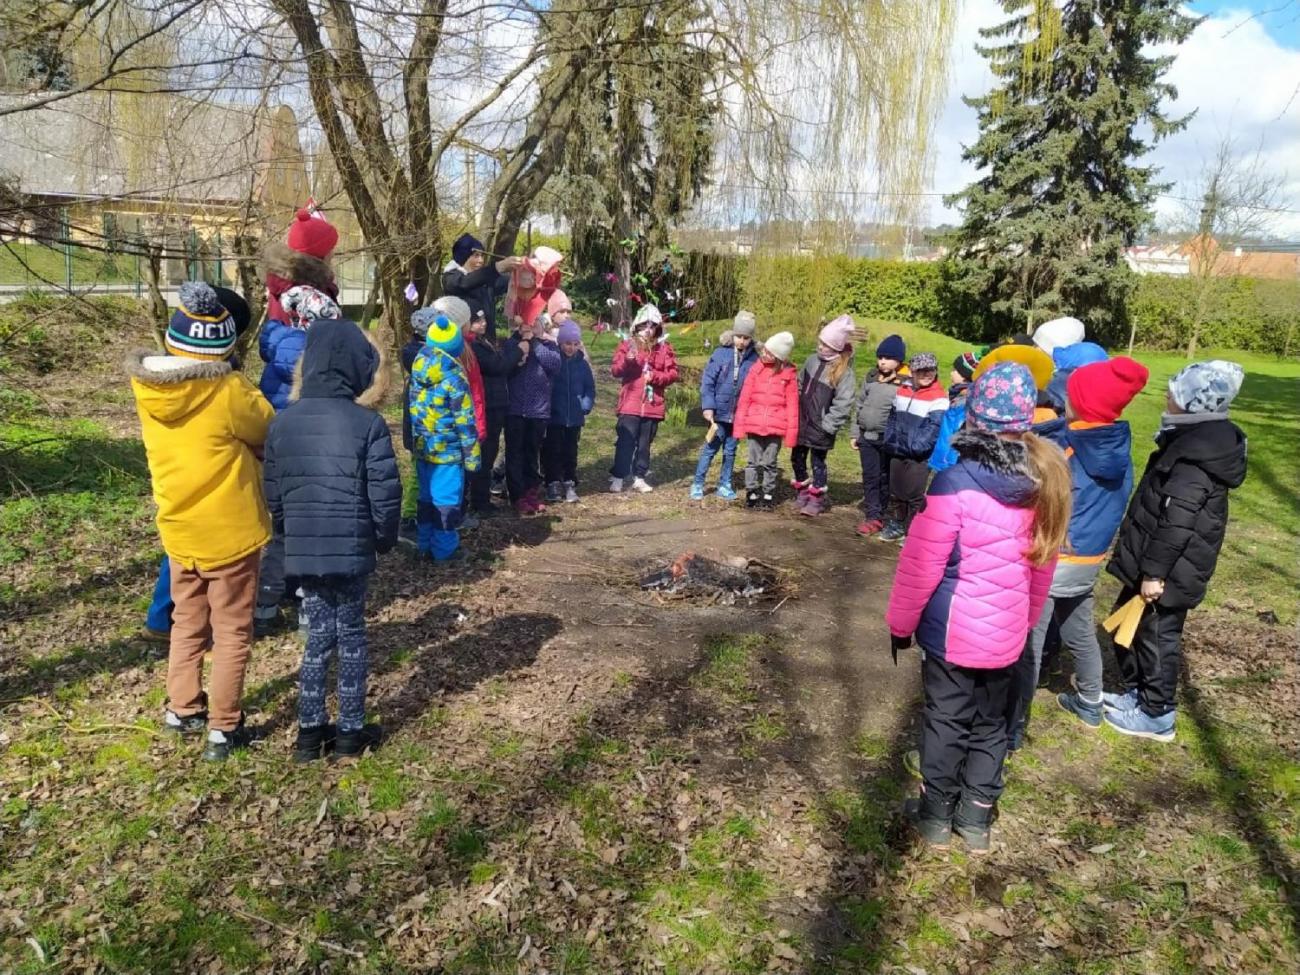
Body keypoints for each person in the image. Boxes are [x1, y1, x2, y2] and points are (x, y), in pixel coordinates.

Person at [886, 362, 1071, 852]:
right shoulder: (1046, 483)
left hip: (954, 634)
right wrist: (1025, 623)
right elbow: (1043, 568)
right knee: (992, 725)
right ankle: (976, 820)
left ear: (973, 415)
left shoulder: (952, 483)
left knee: (946, 721)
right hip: (1006, 633)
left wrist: (900, 624)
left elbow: (921, 564)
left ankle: (936, 816)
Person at [127, 282, 275, 762]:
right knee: (232, 629)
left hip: (179, 527)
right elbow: (267, 427)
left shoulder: (148, 385)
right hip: (230, 531)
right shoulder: (229, 390)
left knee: (188, 621)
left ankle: (183, 707)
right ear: (225, 348)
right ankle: (224, 726)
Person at [262, 318, 400, 762]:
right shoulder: (368, 423)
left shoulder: (283, 423)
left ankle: (308, 735)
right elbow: (385, 491)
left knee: (318, 636)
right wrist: (383, 538)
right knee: (353, 635)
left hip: (306, 549)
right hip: (352, 548)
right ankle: (350, 733)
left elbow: (274, 493)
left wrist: (288, 534)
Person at [1004, 356, 1149, 744]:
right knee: (1079, 630)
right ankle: (1089, 701)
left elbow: (1041, 495)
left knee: (1030, 643)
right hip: (1088, 559)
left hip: (1056, 556)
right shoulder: (1118, 443)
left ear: (1080, 401)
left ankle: (1012, 724)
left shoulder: (1067, 452)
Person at [1102, 361, 1247, 742]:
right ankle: (1139, 694)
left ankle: (1157, 713)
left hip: (1171, 569)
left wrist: (1154, 574)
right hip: (1158, 561)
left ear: (1194, 402)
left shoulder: (1196, 457)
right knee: (1132, 627)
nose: (1167, 396)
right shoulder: (1193, 440)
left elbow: (1178, 522)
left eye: (1174, 392)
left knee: (1158, 638)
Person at [142, 286, 254, 642]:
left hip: (174, 490)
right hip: (216, 495)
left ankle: (164, 621)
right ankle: (194, 624)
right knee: (220, 570)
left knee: (179, 560)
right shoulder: (225, 387)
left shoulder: (156, 384)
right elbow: (260, 425)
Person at [253, 284, 345, 637]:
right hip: (312, 447)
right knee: (309, 530)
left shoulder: (278, 343)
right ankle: (308, 606)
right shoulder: (313, 352)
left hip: (281, 446)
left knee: (284, 530)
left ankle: (266, 603)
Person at [409, 307, 481, 559]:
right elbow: (464, 421)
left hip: (424, 448)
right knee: (446, 502)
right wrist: (472, 456)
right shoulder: (454, 377)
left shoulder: (417, 369)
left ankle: (423, 544)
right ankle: (444, 551)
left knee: (426, 498)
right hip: (448, 453)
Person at [609, 304, 679, 493]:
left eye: (652, 326)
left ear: (657, 328)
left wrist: (655, 377)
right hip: (630, 405)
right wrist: (628, 361)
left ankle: (639, 476)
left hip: (652, 405)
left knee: (644, 444)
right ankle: (618, 476)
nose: (647, 330)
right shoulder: (627, 345)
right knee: (625, 441)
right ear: (636, 326)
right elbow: (616, 370)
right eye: (643, 326)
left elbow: (672, 373)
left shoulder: (664, 348)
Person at [792, 315, 857, 516]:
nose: (821, 347)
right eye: (820, 342)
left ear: (836, 347)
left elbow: (844, 402)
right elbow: (800, 383)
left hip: (821, 425)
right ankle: (802, 490)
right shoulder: (811, 361)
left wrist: (829, 424)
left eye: (826, 345)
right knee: (797, 457)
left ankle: (817, 498)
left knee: (818, 461)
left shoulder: (843, 371)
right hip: (803, 419)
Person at [691, 311, 760, 501]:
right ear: (733, 334)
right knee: (710, 448)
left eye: (746, 338)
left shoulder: (755, 359)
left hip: (738, 415)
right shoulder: (721, 353)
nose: (741, 341)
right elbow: (708, 381)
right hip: (719, 413)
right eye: (739, 336)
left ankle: (725, 483)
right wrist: (708, 406)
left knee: (730, 451)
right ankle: (698, 482)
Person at [880, 352, 948, 542]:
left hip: (918, 454)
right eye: (921, 371)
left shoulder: (939, 397)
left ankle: (914, 529)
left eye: (931, 370)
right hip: (897, 448)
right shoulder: (903, 390)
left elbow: (934, 427)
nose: (926, 374)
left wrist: (918, 447)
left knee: (914, 493)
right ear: (912, 371)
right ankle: (897, 523)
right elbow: (893, 417)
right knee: (897, 489)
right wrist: (890, 439)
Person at [504, 309, 562, 513]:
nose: (530, 327)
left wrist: (534, 343)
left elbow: (554, 365)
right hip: (515, 410)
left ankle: (531, 492)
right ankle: (517, 495)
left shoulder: (549, 346)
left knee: (531, 453)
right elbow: (505, 367)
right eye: (526, 324)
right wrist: (521, 348)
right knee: (515, 454)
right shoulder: (511, 344)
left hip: (538, 410)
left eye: (534, 323)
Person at [733, 331, 799, 510]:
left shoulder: (788, 375)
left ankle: (768, 492)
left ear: (778, 357)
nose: (763, 354)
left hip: (775, 427)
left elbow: (793, 407)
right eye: (764, 351)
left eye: (769, 353)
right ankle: (752, 491)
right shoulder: (756, 369)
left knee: (770, 463)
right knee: (752, 462)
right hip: (755, 424)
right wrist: (739, 426)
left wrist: (791, 435)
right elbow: (744, 399)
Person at [465, 310, 521, 516]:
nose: (483, 323)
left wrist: (516, 339)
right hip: (488, 405)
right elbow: (498, 365)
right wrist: (519, 351)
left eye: (483, 319)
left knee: (491, 451)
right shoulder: (472, 346)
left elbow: (500, 359)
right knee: (486, 454)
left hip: (496, 403)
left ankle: (482, 497)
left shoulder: (482, 342)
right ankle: (479, 501)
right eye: (477, 321)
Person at [851, 334, 906, 537]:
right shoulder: (871, 377)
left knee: (885, 477)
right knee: (870, 476)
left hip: (887, 439)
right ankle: (872, 515)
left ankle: (881, 512)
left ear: (899, 360)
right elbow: (859, 404)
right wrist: (855, 432)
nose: (882, 361)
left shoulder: (904, 383)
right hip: (866, 436)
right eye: (880, 357)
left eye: (888, 357)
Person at [543, 320, 596, 503]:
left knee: (570, 450)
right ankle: (553, 482)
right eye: (567, 344)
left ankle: (569, 480)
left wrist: (585, 405)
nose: (571, 348)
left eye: (575, 344)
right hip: (554, 416)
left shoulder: (582, 364)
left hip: (574, 416)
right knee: (552, 450)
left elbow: (589, 387)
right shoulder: (554, 361)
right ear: (560, 343)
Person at [441, 233, 522, 340]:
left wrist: (527, 270)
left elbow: (510, 282)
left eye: (482, 256)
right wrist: (498, 267)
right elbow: (464, 283)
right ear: (463, 257)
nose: (481, 260)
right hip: (463, 344)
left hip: (487, 341)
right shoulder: (451, 277)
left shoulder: (483, 279)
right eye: (476, 256)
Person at [927, 350, 981, 475]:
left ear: (965, 376)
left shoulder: (965, 403)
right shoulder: (956, 396)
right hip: (942, 457)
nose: (951, 373)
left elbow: (958, 432)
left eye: (955, 370)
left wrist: (949, 461)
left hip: (949, 462)